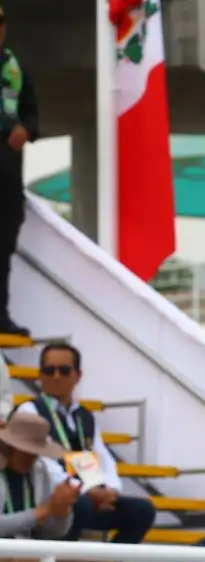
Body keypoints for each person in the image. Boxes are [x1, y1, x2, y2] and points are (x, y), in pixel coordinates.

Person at [32, 344, 157, 553]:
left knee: (142, 510)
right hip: (48, 497)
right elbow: (44, 465)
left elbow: (104, 458)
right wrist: (90, 492)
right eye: (48, 370)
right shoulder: (30, 411)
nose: (56, 376)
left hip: (87, 494)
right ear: (40, 375)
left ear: (77, 376)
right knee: (79, 505)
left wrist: (110, 491)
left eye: (63, 370)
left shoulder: (84, 416)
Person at [0, 407, 113, 562]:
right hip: (12, 555)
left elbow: (52, 533)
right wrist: (42, 512)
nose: (31, 457)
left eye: (35, 452)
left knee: (101, 560)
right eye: (26, 451)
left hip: (28, 552)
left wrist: (62, 512)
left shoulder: (39, 471)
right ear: (10, 447)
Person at [0, 5, 38, 338]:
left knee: (3, 250)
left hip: (7, 179)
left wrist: (26, 129)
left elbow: (33, 115)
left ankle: (1, 315)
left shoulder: (16, 70)